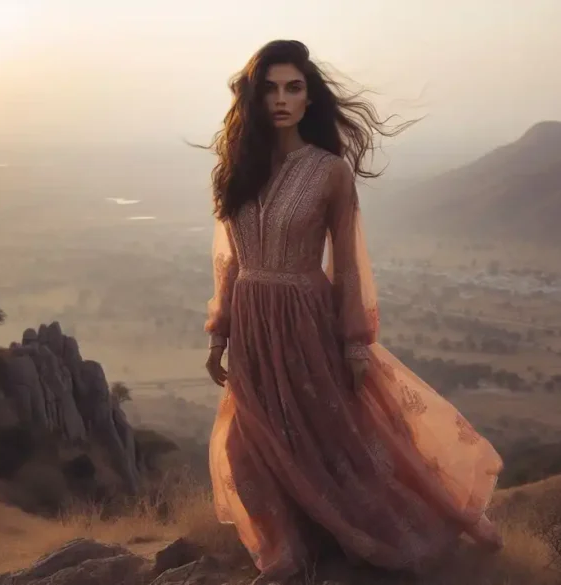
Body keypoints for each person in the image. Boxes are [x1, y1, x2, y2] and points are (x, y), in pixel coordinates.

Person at [200, 40, 503, 584]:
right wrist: (219, 331)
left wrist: (354, 339)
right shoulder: (235, 170)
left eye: (294, 88)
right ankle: (285, 552)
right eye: (269, 88)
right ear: (253, 96)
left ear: (310, 98)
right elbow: (229, 260)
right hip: (250, 323)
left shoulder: (329, 172)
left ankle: (369, 537)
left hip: (305, 321)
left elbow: (347, 265)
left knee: (328, 440)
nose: (281, 99)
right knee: (251, 439)